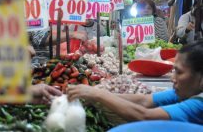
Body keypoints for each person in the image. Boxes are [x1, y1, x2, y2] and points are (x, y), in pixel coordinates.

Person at [67, 40, 203, 124]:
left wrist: (99, 95)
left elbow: (144, 115)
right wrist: (94, 94)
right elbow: (144, 101)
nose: (173, 78)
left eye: (179, 72)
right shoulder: (184, 92)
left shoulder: (199, 104)